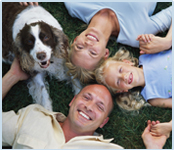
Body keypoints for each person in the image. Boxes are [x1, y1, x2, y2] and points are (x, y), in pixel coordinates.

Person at [2, 58, 168, 149]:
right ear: (73, 101)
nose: (89, 106)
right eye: (87, 97)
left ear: (103, 122)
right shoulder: (33, 117)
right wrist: (12, 76)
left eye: (100, 107)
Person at [64, 2, 172, 83]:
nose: (88, 44)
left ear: (75, 40)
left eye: (79, 47)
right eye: (92, 53)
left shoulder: (74, 5)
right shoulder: (136, 35)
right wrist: (168, 41)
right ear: (105, 54)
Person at [95, 44, 172, 139]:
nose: (124, 76)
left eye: (120, 70)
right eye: (118, 82)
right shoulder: (152, 97)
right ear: (122, 90)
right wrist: (170, 126)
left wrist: (163, 41)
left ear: (127, 62)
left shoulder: (147, 55)